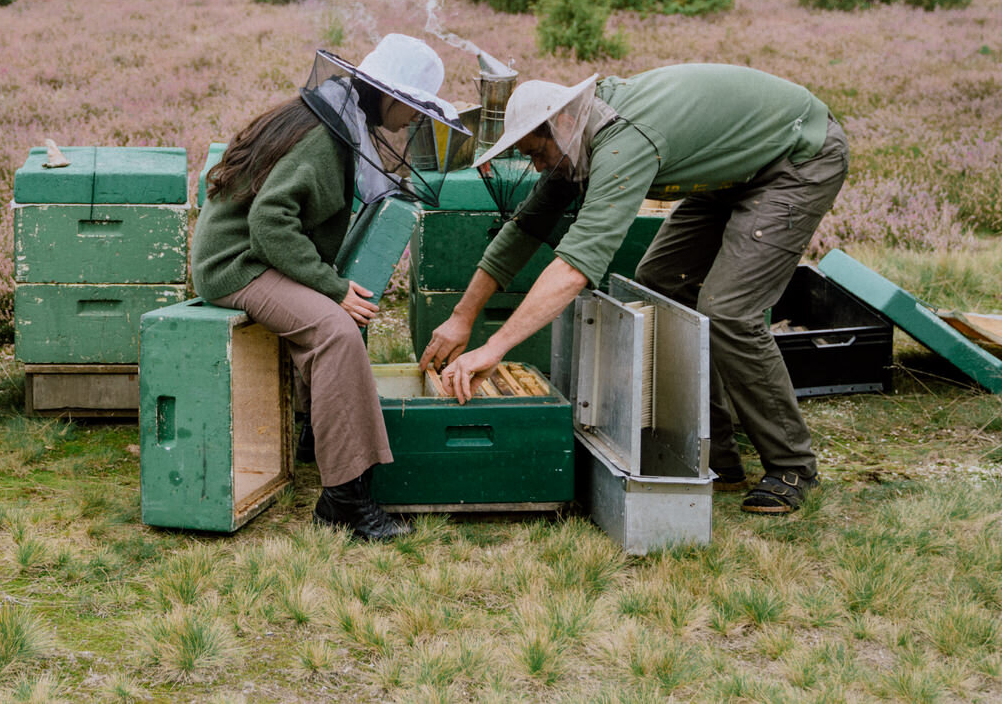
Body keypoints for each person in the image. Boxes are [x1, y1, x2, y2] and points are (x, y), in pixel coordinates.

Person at [419, 62, 849, 515]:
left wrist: (495, 347)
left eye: (535, 153)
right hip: (733, 169)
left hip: (797, 158)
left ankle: (793, 466)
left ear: (563, 122)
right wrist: (462, 318)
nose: (536, 165)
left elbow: (574, 268)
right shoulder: (576, 136)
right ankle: (717, 452)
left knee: (728, 310)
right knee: (659, 281)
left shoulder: (623, 141)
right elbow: (523, 231)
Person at [191, 34, 456, 541]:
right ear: (393, 96)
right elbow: (270, 223)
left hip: (255, 254)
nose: (415, 119)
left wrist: (330, 286)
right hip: (236, 263)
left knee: (341, 319)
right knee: (335, 327)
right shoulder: (323, 136)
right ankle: (345, 503)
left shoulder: (336, 117)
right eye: (417, 107)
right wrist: (330, 288)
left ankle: (321, 439)